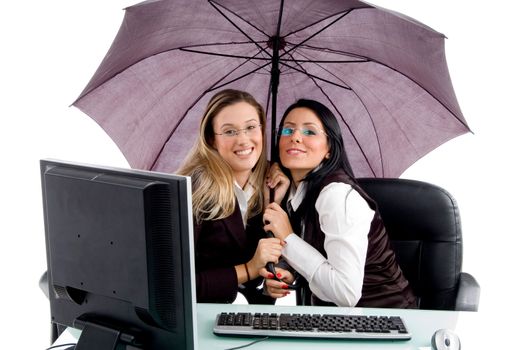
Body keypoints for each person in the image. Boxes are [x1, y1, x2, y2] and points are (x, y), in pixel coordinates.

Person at [262, 99, 416, 308]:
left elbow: (346, 293)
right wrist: (287, 273)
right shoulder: (297, 192)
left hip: (385, 323)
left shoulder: (336, 196)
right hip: (332, 323)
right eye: (288, 131)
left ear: (329, 149)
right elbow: (318, 254)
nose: (296, 137)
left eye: (309, 132)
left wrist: (288, 238)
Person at [177, 89, 287, 304]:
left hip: (245, 322)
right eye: (229, 132)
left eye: (250, 127)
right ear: (211, 139)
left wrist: (271, 204)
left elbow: (259, 278)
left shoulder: (270, 183)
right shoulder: (194, 191)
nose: (243, 140)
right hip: (198, 318)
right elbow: (174, 285)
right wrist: (249, 269)